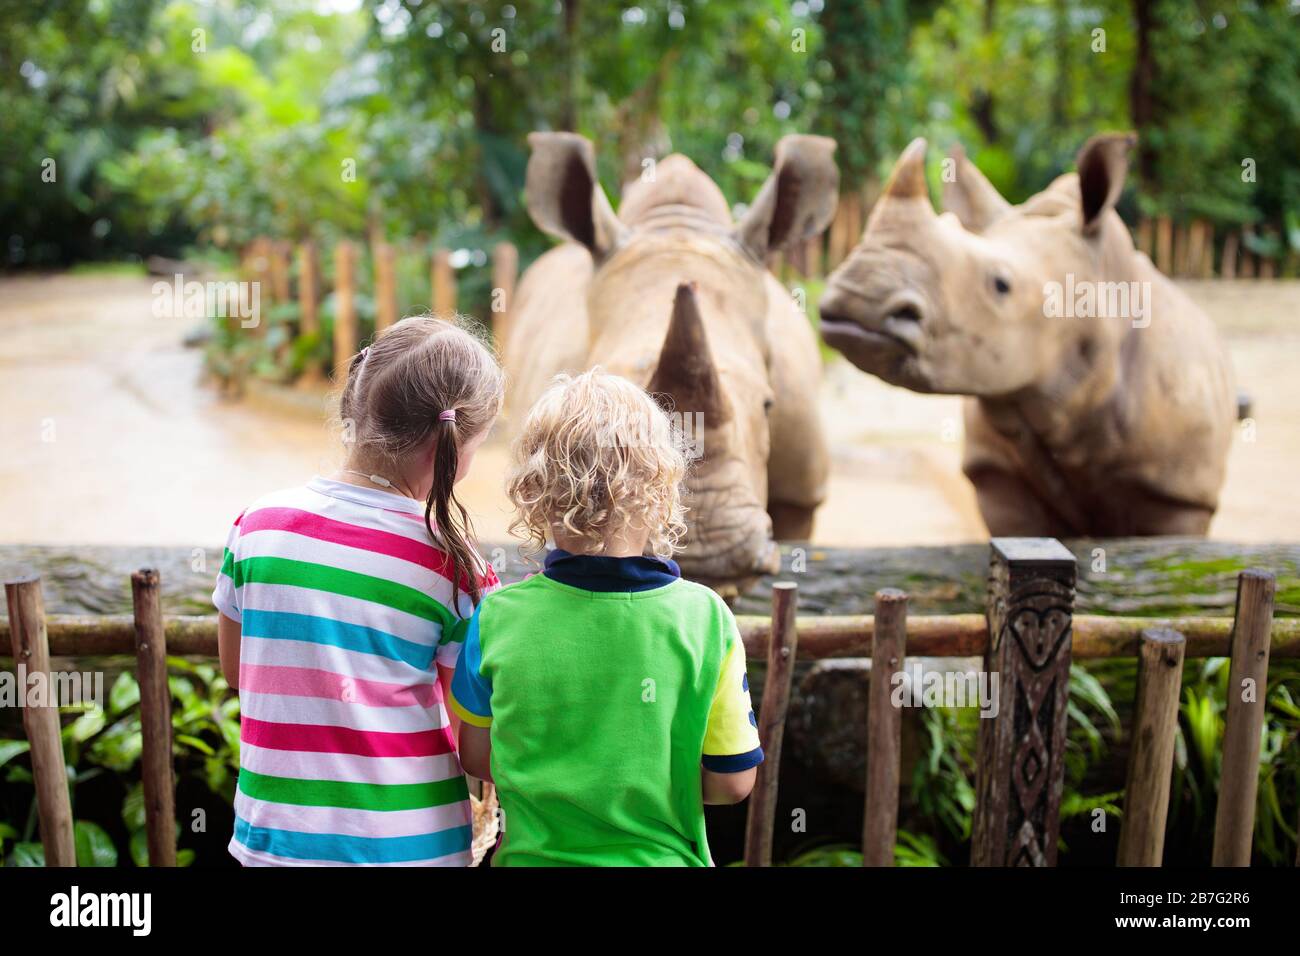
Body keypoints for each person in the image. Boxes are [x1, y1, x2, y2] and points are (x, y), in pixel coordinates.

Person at [212, 315, 503, 866]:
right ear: (452, 446)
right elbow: (466, 728)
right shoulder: (455, 562)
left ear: (355, 405)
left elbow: (237, 669)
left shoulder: (257, 525)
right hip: (412, 847)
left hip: (275, 842)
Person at [450, 368, 762, 866]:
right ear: (662, 487)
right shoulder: (705, 619)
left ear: (535, 492)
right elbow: (731, 782)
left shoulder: (498, 618)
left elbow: (478, 757)